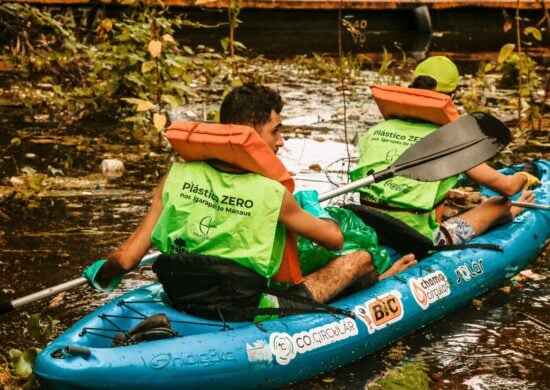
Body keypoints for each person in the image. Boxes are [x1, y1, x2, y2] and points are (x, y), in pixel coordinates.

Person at [83, 83, 416, 321]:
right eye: (276, 131)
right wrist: (316, 214)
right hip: (245, 307)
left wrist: (103, 275)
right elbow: (334, 240)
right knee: (357, 258)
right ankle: (377, 287)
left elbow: (126, 259)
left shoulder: (175, 176)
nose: (281, 141)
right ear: (251, 135)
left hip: (181, 294)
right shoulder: (272, 191)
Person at [350, 56, 540, 248]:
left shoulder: (374, 131)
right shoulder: (453, 142)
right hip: (416, 238)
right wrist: (524, 177)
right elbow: (507, 187)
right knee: (499, 205)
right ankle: (514, 211)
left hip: (368, 224)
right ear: (452, 98)